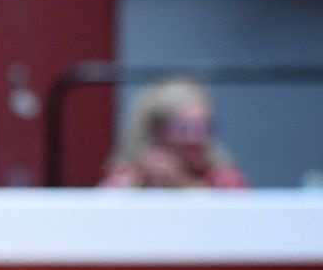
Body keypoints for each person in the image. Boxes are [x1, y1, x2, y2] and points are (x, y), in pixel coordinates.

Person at [99, 77, 246, 189]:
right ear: (156, 132)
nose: (195, 139)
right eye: (184, 129)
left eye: (204, 128)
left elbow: (239, 218)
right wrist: (134, 184)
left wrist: (184, 184)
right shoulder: (131, 173)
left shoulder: (222, 177)